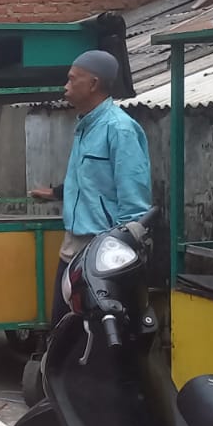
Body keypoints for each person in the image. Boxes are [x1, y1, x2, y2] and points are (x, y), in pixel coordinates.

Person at [29, 50, 152, 326]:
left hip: (103, 249)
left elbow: (134, 205)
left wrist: (113, 252)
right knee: (63, 327)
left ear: (93, 84)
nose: (66, 86)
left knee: (98, 333)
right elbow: (88, 182)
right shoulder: (85, 126)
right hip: (74, 245)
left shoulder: (119, 129)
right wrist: (56, 193)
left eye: (72, 80)